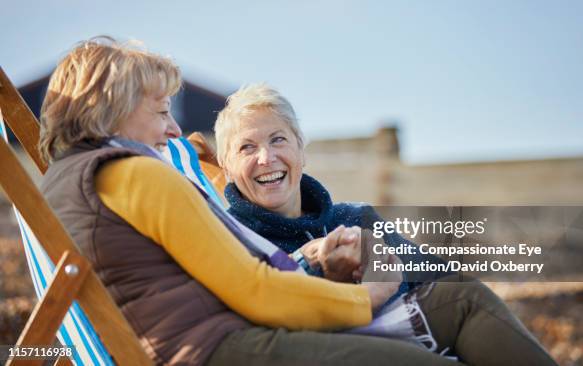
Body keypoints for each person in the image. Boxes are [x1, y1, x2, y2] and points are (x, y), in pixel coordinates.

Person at [38, 37, 471, 366]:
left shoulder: (70, 180)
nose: (172, 129)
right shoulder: (135, 173)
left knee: (461, 303)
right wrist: (367, 297)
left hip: (187, 342)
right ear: (116, 106)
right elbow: (256, 290)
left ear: (301, 149)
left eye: (279, 139)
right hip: (217, 348)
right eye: (160, 110)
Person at [214, 83, 558, 365]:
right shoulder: (230, 237)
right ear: (227, 168)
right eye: (247, 147)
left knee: (467, 294)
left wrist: (378, 264)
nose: (266, 158)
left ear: (301, 151)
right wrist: (317, 267)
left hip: (395, 330)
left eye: (278, 140)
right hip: (319, 352)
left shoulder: (352, 217)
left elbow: (435, 276)